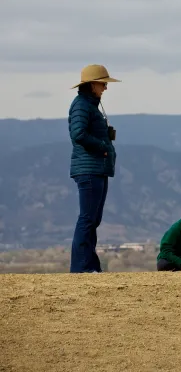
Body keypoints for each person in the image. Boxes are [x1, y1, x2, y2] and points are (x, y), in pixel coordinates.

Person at [68, 64, 120, 273]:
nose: (105, 88)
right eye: (103, 83)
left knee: (93, 219)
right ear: (92, 85)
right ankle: (81, 268)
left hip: (96, 168)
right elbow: (78, 134)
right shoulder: (81, 105)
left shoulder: (89, 105)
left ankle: (89, 265)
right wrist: (102, 147)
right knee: (88, 219)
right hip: (89, 169)